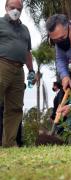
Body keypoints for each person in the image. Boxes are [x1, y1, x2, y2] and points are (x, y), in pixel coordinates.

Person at [0, 0, 35, 147]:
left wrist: (31, 70)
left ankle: (9, 143)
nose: (15, 10)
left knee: (15, 107)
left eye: (18, 8)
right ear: (6, 7)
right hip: (2, 65)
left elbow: (27, 52)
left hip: (19, 70)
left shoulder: (25, 29)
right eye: (12, 7)